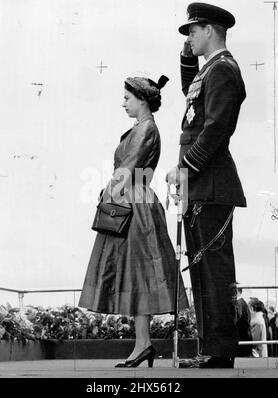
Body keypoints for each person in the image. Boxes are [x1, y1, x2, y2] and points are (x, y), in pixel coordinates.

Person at [78, 75, 188, 368]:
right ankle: (143, 345)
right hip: (136, 201)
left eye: (127, 98)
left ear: (142, 99)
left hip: (134, 202)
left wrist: (107, 196)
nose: (123, 102)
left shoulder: (145, 129)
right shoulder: (143, 128)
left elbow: (126, 171)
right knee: (137, 275)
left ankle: (143, 345)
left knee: (137, 274)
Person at [166, 2, 247, 369]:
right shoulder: (212, 70)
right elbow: (193, 100)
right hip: (204, 184)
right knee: (203, 269)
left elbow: (215, 128)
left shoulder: (224, 70)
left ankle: (219, 350)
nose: (189, 37)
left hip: (211, 182)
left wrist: (184, 167)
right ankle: (211, 348)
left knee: (214, 270)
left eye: (192, 32)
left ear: (210, 30)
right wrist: (187, 58)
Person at [235, 286, 252, 357]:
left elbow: (237, 321)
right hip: (246, 337)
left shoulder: (238, 304)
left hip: (241, 337)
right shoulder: (243, 303)